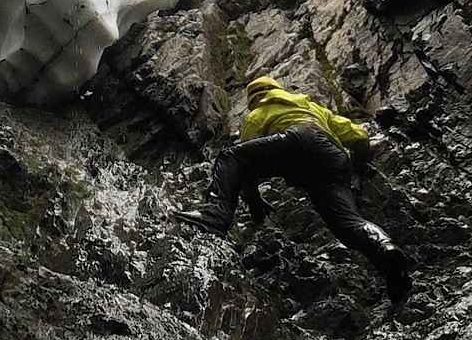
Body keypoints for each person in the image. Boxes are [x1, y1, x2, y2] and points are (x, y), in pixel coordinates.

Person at [177, 76, 413, 303]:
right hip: (332, 157)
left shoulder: (259, 113)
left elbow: (244, 164)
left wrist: (254, 201)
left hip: (295, 143)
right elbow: (360, 136)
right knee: (347, 223)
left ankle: (215, 215)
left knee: (230, 157)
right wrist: (358, 166)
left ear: (254, 100)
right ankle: (385, 250)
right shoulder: (312, 107)